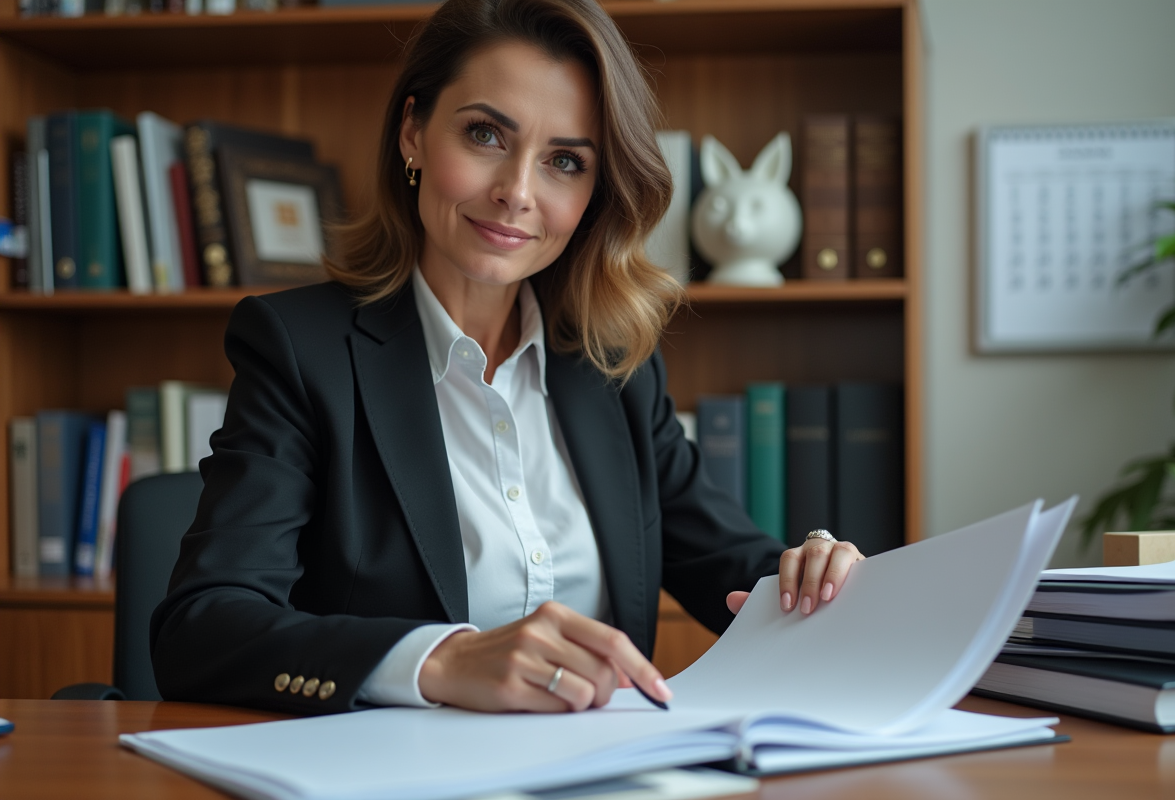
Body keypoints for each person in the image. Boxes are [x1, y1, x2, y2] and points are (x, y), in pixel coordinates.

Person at [150, 0, 865, 716]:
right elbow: (201, 628)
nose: (517, 193)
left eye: (565, 161)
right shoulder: (300, 348)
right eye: (485, 134)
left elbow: (732, 568)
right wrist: (438, 660)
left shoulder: (611, 365)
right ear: (413, 133)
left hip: (599, 764)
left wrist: (814, 571)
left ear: (594, 192)